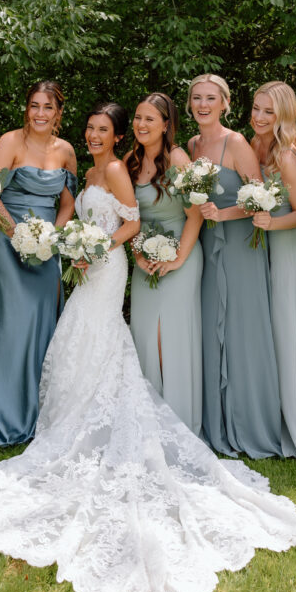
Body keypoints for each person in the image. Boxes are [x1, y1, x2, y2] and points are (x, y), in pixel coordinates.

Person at [0, 101, 296, 592]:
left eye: (102, 129)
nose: (93, 135)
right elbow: (90, 212)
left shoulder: (115, 170)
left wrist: (96, 246)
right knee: (78, 338)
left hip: (106, 268)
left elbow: (130, 222)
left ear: (118, 133)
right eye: (89, 128)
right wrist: (78, 244)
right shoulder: (93, 169)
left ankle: (98, 419)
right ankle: (74, 417)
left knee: (97, 333)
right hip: (93, 265)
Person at [0, 80, 77, 446]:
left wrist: (51, 237)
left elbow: (68, 202)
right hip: (7, 245)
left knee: (42, 330)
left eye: (47, 107)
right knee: (11, 330)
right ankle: (6, 413)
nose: (39, 113)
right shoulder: (9, 142)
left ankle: (42, 413)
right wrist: (18, 235)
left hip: (47, 251)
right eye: (34, 105)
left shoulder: (65, 151)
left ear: (59, 112)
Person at [189, 73, 282, 458]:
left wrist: (224, 215)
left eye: (211, 98)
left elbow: (261, 199)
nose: (203, 104)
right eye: (197, 98)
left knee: (243, 332)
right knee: (212, 330)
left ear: (225, 103)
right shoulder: (192, 145)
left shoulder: (236, 142)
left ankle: (250, 425)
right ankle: (217, 423)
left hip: (242, 246)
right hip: (208, 249)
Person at [250, 82, 296, 461]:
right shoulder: (252, 146)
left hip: (291, 255)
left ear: (282, 116)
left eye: (269, 112)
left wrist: (271, 225)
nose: (260, 117)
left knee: (293, 338)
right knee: (275, 340)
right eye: (256, 108)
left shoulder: (287, 155)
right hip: (264, 255)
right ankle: (276, 421)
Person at [126, 93, 204, 436]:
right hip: (144, 257)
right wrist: (138, 254)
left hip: (181, 254)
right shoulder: (129, 160)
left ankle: (179, 425)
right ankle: (147, 424)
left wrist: (177, 259)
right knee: (144, 336)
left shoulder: (178, 159)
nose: (142, 125)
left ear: (166, 125)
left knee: (168, 337)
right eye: (138, 117)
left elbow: (196, 213)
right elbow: (127, 217)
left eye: (150, 119)